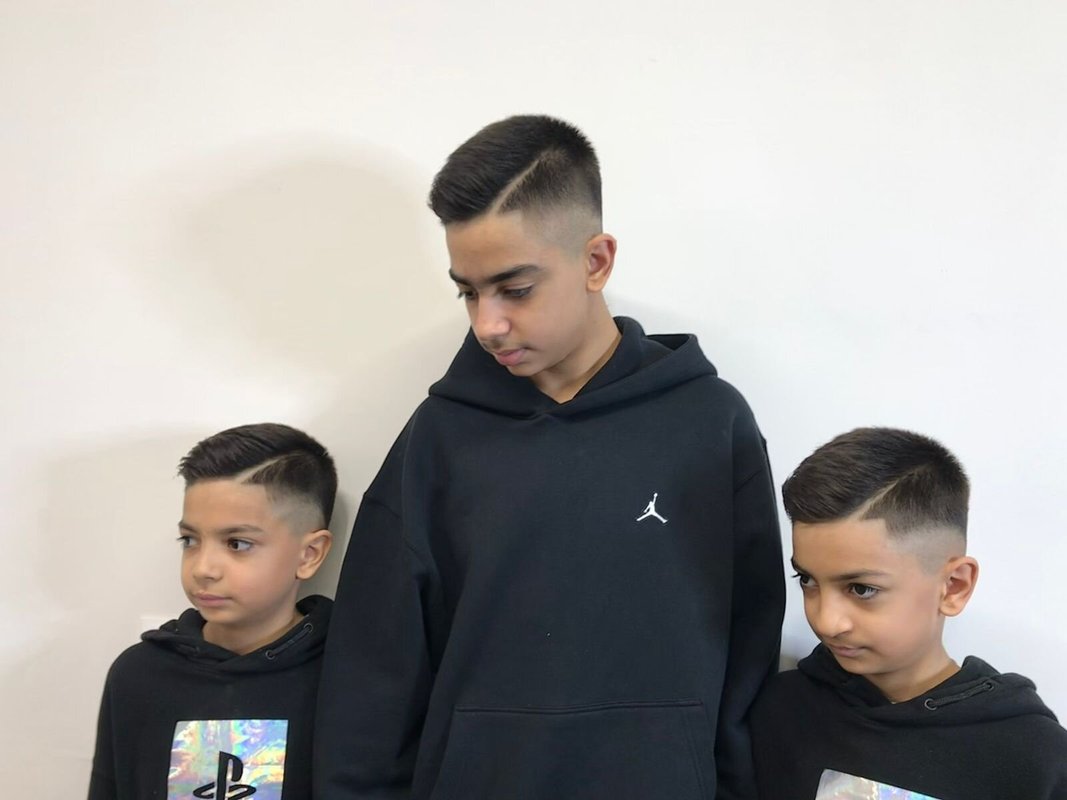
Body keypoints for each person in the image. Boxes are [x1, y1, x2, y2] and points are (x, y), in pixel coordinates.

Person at [314, 114, 784, 799]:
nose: (487, 323)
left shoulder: (711, 425)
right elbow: (373, 680)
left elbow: (749, 656)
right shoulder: (438, 440)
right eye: (468, 291)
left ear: (596, 262)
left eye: (515, 288)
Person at [751, 427, 1067, 799]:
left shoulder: (1035, 760)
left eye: (861, 589)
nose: (826, 621)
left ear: (953, 587)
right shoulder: (779, 711)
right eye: (807, 579)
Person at [88, 423, 337, 799]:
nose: (203, 568)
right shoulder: (139, 676)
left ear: (309, 555)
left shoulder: (346, 679)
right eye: (190, 540)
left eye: (237, 543)